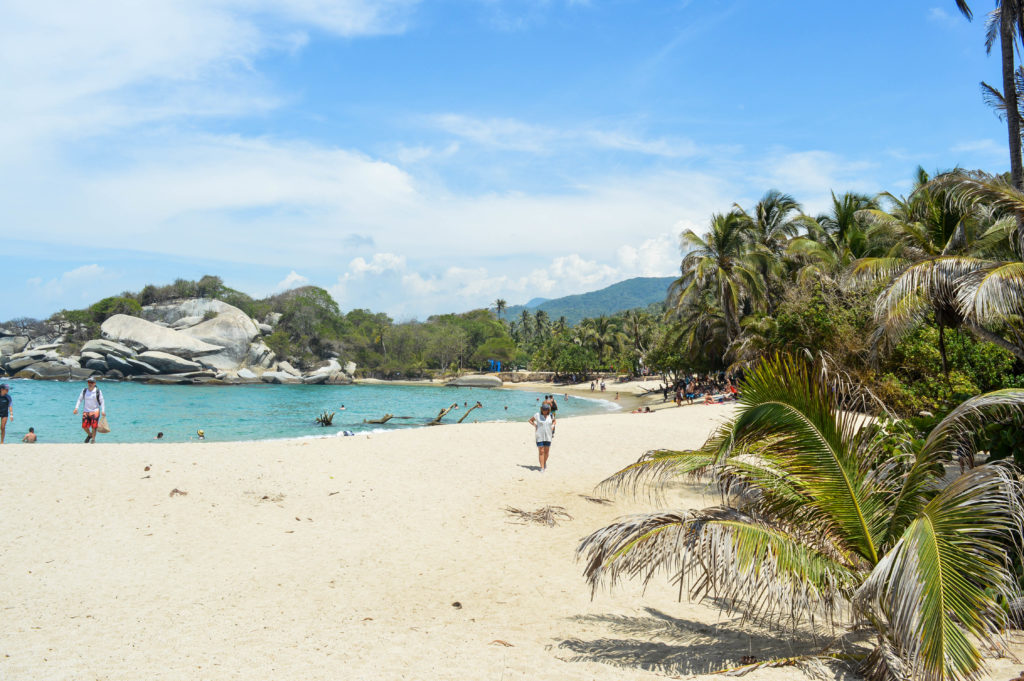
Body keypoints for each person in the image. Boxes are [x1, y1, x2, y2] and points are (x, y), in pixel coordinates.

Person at [73, 378, 105, 443]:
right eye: (89, 382)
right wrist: (76, 408)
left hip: (95, 411)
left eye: (92, 382)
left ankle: (93, 439)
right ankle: (90, 435)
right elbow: (79, 399)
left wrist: (103, 410)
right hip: (86, 411)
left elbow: (102, 401)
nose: (90, 384)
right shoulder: (84, 391)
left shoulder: (98, 391)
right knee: (84, 426)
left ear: (94, 383)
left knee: (94, 426)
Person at [528, 402, 556, 472]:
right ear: (541, 409)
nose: (544, 411)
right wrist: (535, 425)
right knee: (541, 451)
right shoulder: (537, 415)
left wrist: (553, 426)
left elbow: (554, 421)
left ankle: (544, 462)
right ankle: (542, 467)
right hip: (539, 436)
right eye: (543, 409)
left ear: (548, 410)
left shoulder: (551, 415)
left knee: (546, 452)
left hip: (548, 436)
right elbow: (530, 420)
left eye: (546, 409)